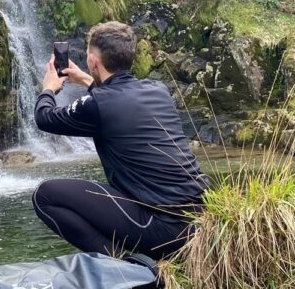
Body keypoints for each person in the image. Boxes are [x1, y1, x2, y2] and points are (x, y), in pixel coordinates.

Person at [31, 21, 209, 260]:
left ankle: (125, 269)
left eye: (88, 58)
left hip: (164, 230)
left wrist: (49, 89)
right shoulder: (158, 90)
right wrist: (85, 79)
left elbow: (44, 118)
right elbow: (115, 100)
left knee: (44, 196)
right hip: (199, 221)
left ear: (93, 60)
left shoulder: (99, 105)